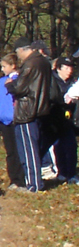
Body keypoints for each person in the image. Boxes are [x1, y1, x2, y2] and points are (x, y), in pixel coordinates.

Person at [7, 40, 55, 193]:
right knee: (33, 146)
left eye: (17, 52)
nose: (18, 56)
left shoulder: (30, 64)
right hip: (41, 109)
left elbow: (20, 88)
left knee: (28, 149)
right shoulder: (43, 62)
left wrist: (9, 84)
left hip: (28, 110)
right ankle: (34, 181)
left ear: (23, 49)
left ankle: (33, 184)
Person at [0, 52, 24, 189]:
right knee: (10, 152)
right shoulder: (1, 82)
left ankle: (22, 178)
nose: (2, 69)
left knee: (19, 151)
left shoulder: (21, 80)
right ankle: (14, 179)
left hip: (18, 120)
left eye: (4, 66)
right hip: (4, 122)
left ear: (13, 66)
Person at [50, 56, 78, 184]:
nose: (69, 71)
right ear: (59, 69)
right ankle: (61, 172)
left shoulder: (73, 82)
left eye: (71, 68)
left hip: (70, 119)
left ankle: (71, 173)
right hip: (54, 119)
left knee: (71, 145)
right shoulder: (52, 81)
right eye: (66, 68)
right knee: (57, 146)